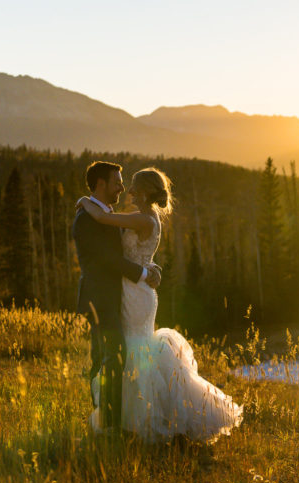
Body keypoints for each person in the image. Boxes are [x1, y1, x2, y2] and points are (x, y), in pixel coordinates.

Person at [77, 167, 243, 443]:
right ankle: (131, 417)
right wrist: (150, 267)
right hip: (137, 289)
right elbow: (137, 252)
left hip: (136, 292)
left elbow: (103, 218)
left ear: (143, 192)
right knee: (134, 347)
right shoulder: (147, 218)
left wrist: (84, 200)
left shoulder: (142, 219)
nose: (128, 191)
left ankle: (139, 419)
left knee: (133, 348)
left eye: (132, 186)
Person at [72, 161, 161, 434]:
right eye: (117, 183)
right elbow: (106, 259)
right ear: (101, 184)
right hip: (100, 297)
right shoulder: (87, 218)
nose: (122, 188)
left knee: (109, 356)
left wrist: (150, 266)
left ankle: (107, 419)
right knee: (111, 355)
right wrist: (143, 272)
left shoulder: (106, 214)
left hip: (119, 296)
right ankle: (108, 423)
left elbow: (128, 250)